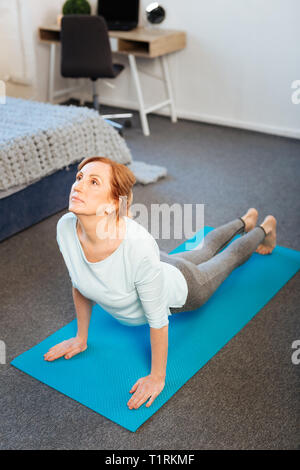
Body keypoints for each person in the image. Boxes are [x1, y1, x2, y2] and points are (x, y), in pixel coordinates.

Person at [44, 156, 277, 411]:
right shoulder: (65, 227)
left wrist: (157, 377)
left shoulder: (137, 248)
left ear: (111, 205)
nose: (78, 186)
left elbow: (159, 321)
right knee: (205, 248)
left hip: (186, 284)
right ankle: (244, 221)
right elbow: (80, 282)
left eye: (93, 182)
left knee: (226, 258)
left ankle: (265, 229)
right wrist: (80, 337)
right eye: (79, 178)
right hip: (156, 265)